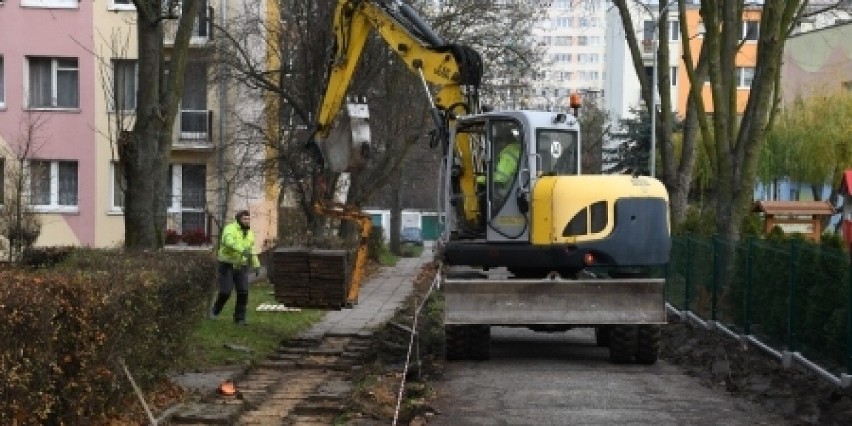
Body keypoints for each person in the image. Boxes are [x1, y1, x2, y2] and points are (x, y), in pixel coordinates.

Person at [211, 210, 260, 325]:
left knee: (243, 291)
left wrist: (256, 264)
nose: (247, 221)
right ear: (238, 219)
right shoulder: (230, 229)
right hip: (226, 264)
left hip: (241, 266)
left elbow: (251, 250)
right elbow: (229, 242)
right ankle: (214, 311)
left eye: (248, 219)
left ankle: (239, 318)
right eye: (245, 219)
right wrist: (242, 250)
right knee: (225, 291)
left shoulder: (250, 233)